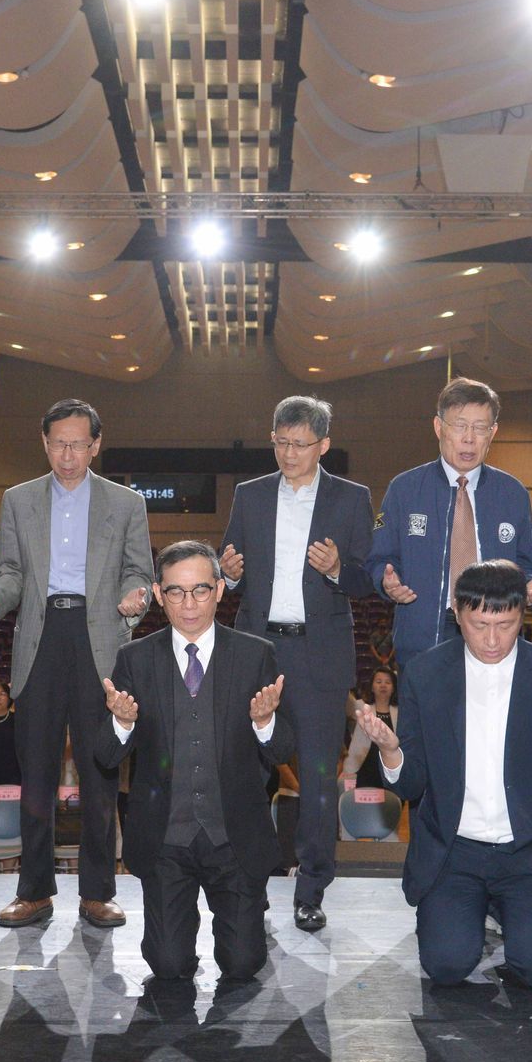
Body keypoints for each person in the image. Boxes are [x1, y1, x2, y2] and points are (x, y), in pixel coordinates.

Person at [353, 560, 532, 988]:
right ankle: (470, 911)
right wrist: (391, 752)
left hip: (528, 852)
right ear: (457, 612)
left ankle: (511, 911)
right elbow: (412, 784)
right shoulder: (425, 675)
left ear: (522, 614)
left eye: (505, 625)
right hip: (454, 852)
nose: (491, 639)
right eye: (479, 624)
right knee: (446, 965)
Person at [0, 399, 153, 929]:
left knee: (100, 774)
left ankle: (97, 892)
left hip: (100, 641)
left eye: (78, 444)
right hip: (40, 639)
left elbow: (139, 572)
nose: (67, 455)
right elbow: (11, 573)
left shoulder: (126, 503)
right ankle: (34, 892)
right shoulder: (18, 500)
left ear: (96, 445)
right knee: (37, 775)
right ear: (44, 443)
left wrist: (136, 598)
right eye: (58, 444)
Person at [95, 541, 290, 983]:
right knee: (167, 965)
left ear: (219, 590)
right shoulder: (134, 659)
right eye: (176, 592)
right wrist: (122, 723)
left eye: (200, 590)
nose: (189, 604)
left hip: (234, 837)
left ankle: (245, 916)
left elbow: (282, 751)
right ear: (158, 594)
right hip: (166, 839)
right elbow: (105, 755)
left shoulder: (255, 654)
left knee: (243, 964)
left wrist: (265, 722)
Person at [219, 395, 375, 932]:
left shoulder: (352, 499)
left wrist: (337, 570)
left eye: (300, 444)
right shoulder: (250, 494)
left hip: (319, 656)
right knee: (247, 774)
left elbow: (366, 579)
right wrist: (228, 572)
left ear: (323, 445)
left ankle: (311, 890)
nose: (289, 453)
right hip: (256, 651)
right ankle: (248, 883)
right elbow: (228, 568)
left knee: (317, 779)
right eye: (281, 442)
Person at [368, 378, 532, 668]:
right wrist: (386, 582)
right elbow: (379, 559)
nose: (469, 438)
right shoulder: (404, 489)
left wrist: (531, 584)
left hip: (492, 636)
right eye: (460, 426)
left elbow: (527, 564)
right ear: (439, 427)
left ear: (493, 432)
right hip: (422, 635)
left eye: (480, 428)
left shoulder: (513, 493)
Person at [342, 666, 398, 791]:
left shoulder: (400, 713)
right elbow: (345, 699)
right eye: (378, 682)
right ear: (372, 687)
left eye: (388, 682)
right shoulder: (361, 707)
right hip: (365, 769)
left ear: (394, 688)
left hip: (391, 773)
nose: (383, 685)